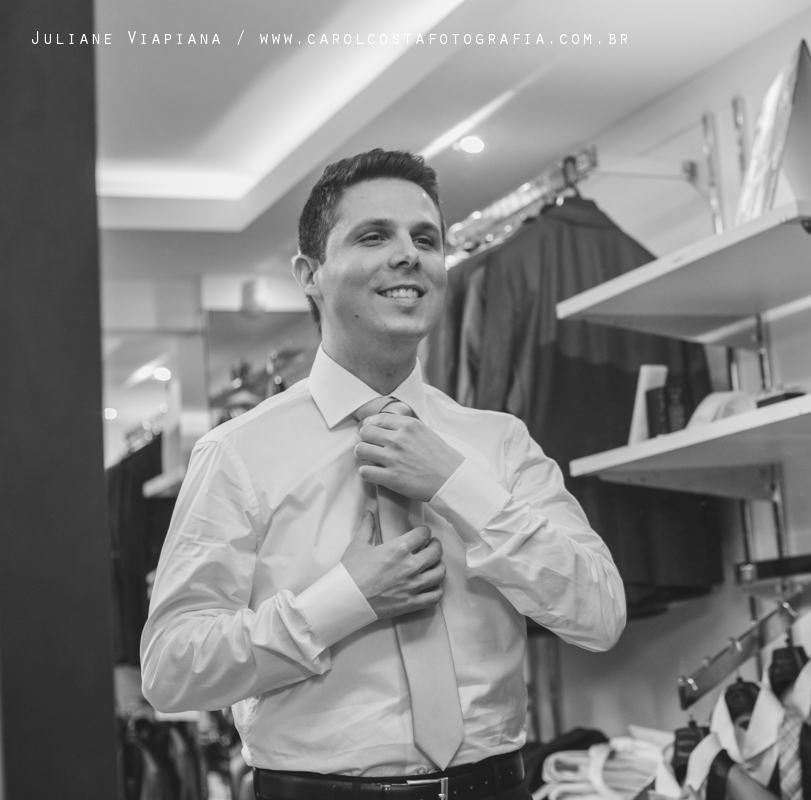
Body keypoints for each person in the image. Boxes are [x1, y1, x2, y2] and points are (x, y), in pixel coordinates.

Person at [141, 149, 627, 800]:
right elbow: (171, 668)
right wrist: (344, 599)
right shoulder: (237, 453)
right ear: (309, 275)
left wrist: (457, 484)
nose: (408, 255)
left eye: (426, 239)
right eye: (374, 236)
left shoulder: (499, 444)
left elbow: (601, 615)